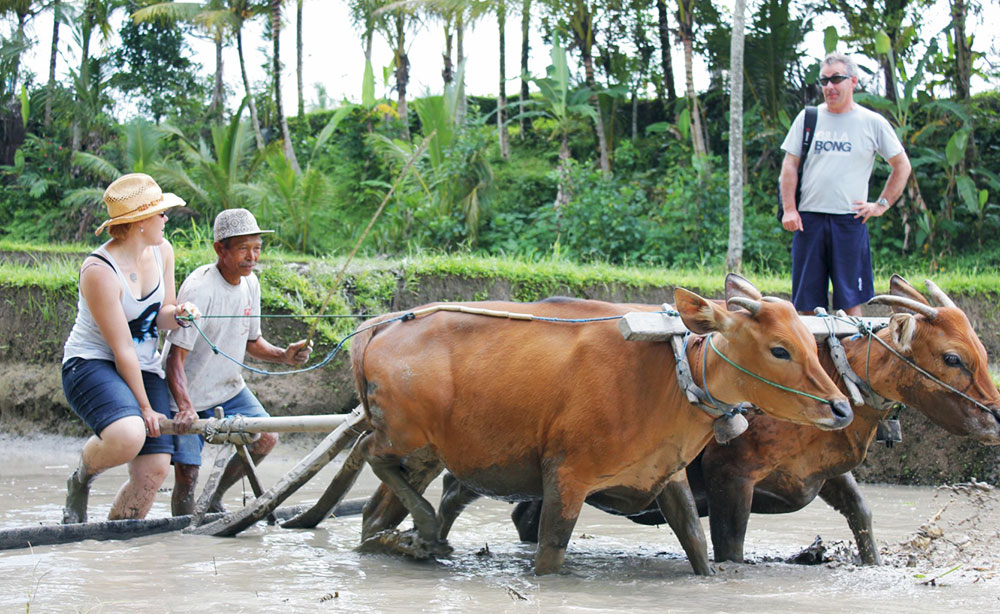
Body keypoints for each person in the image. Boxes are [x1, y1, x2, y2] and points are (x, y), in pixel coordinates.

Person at [61, 173, 200, 524]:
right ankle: (81, 477)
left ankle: (116, 539)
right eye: (160, 213)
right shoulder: (99, 271)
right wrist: (145, 407)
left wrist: (180, 315)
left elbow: (162, 316)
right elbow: (122, 348)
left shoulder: (163, 251)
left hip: (143, 365)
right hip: (92, 364)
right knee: (129, 434)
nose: (165, 219)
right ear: (139, 222)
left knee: (154, 469)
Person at [164, 208, 313, 516]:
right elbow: (175, 359)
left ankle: (214, 498)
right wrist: (185, 406)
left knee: (265, 437)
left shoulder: (250, 284)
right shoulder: (200, 289)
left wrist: (284, 355)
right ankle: (183, 531)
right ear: (221, 249)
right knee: (187, 474)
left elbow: (251, 341)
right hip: (188, 393)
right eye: (243, 248)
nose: (252, 256)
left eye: (257, 248)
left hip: (229, 388)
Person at [779, 52, 912, 316]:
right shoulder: (808, 118)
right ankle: (813, 345)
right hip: (809, 221)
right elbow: (789, 165)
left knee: (850, 302)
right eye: (824, 81)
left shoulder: (872, 122)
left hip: (849, 222)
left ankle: (852, 344)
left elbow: (902, 165)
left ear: (853, 81)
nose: (829, 86)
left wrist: (881, 205)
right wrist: (789, 209)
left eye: (836, 79)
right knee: (806, 304)